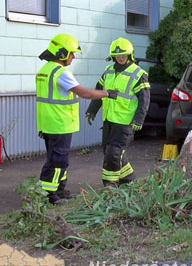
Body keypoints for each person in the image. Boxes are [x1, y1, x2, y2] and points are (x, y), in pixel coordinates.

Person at [36, 34, 111, 205]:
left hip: (48, 123)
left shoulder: (44, 71)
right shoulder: (61, 73)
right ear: (62, 53)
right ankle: (50, 195)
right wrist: (107, 94)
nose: (73, 57)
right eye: (71, 53)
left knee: (57, 159)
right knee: (57, 161)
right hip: (60, 123)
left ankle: (60, 190)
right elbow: (84, 93)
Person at [85, 38, 150, 187]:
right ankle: (129, 180)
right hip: (109, 119)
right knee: (110, 152)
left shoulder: (139, 74)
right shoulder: (108, 71)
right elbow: (99, 93)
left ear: (130, 55)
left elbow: (144, 99)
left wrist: (139, 120)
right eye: (117, 55)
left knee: (113, 152)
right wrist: (92, 110)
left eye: (124, 55)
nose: (121, 58)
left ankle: (111, 185)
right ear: (112, 56)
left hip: (125, 122)